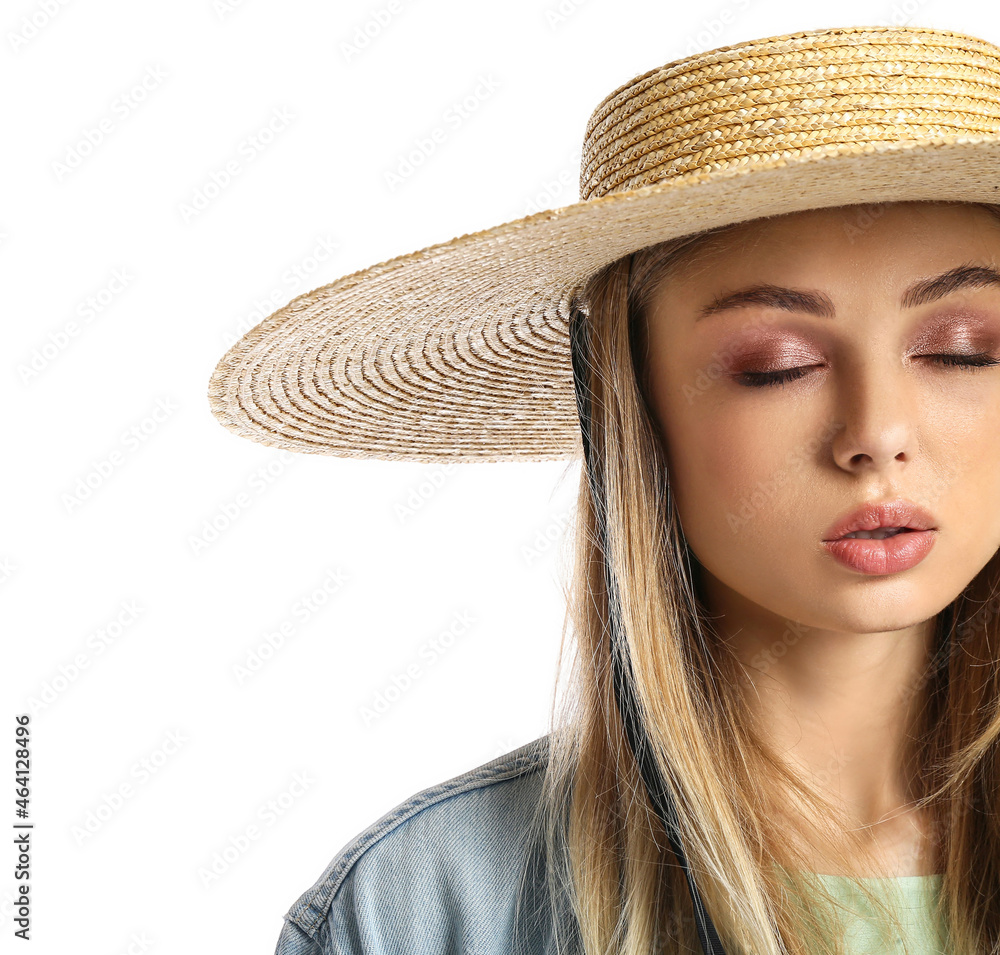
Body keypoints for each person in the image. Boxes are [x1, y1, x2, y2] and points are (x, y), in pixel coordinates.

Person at [207, 22, 1000, 955]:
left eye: (963, 351)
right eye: (774, 365)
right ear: (626, 402)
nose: (877, 434)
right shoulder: (432, 908)